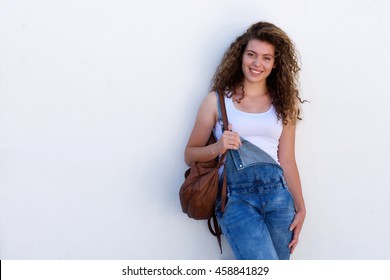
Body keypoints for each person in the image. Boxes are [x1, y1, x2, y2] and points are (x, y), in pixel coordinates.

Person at [184, 21, 306, 260]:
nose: (257, 63)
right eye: (251, 54)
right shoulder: (217, 101)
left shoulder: (285, 102)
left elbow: (288, 160)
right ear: (241, 56)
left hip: (280, 199)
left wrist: (301, 207)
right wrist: (218, 147)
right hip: (235, 199)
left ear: (275, 63)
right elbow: (190, 155)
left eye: (266, 58)